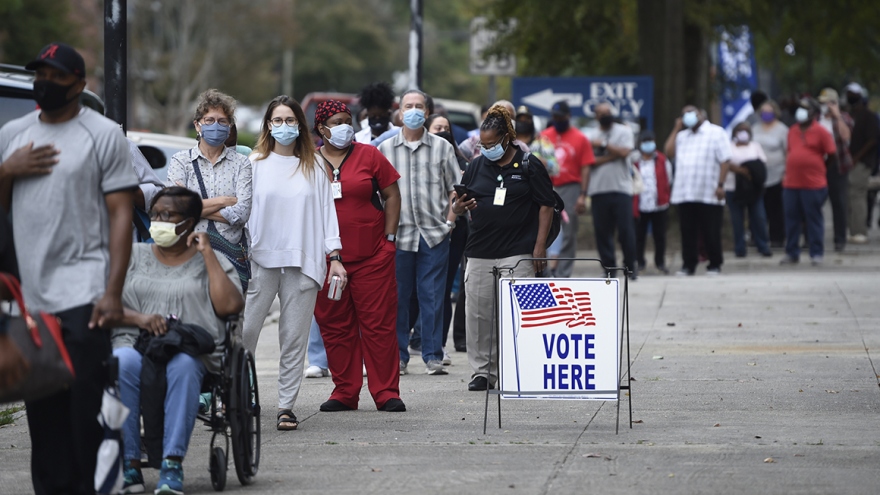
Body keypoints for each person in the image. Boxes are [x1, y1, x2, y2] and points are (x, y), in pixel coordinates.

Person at [0, 42, 137, 494]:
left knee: (85, 415)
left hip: (84, 290)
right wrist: (7, 172)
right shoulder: (13, 135)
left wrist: (112, 291)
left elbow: (120, 213)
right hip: (31, 296)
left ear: (79, 84)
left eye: (58, 77)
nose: (47, 84)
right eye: (42, 74)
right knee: (44, 420)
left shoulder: (102, 134)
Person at [112, 187, 244, 494]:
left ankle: (172, 464)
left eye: (167, 215)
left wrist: (208, 253)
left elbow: (229, 307)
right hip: (134, 341)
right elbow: (104, 304)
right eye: (155, 214)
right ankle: (130, 464)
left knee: (183, 366)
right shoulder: (132, 255)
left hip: (190, 348)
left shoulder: (212, 259)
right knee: (121, 362)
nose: (158, 221)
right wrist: (140, 319)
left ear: (189, 222)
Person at [241, 95, 345, 430]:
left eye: (290, 121)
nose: (283, 127)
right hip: (260, 260)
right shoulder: (254, 163)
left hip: (303, 263)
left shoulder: (314, 165)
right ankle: (242, 397)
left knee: (293, 339)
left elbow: (328, 215)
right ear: (268, 125)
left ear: (300, 125)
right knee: (245, 333)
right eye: (277, 121)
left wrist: (335, 257)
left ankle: (286, 406)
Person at [453, 104, 555, 391]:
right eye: (483, 145)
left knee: (519, 313)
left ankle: (518, 367)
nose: (486, 149)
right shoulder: (475, 166)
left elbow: (547, 205)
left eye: (492, 144)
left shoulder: (529, 164)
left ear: (508, 138)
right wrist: (459, 206)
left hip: (518, 249)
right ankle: (483, 372)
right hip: (480, 250)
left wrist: (539, 247)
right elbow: (459, 203)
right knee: (478, 315)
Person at [311, 100, 405, 412]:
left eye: (347, 120)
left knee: (378, 325)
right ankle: (345, 392)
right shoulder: (309, 162)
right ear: (322, 128)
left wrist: (389, 240)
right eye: (336, 121)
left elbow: (392, 194)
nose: (344, 127)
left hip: (373, 257)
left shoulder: (369, 155)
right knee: (336, 326)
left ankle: (386, 392)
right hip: (327, 261)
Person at [378, 89, 459, 376]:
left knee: (433, 297)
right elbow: (377, 194)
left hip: (434, 234)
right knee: (396, 298)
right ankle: (397, 357)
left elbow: (455, 189)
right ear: (399, 113)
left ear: (427, 112)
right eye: (408, 106)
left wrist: (449, 223)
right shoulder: (385, 149)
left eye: (419, 106)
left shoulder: (442, 147)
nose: (413, 111)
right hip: (398, 235)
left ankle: (433, 355)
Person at [166, 89, 253, 291]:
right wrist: (224, 201)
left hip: (230, 258)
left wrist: (191, 207)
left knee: (230, 318)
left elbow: (242, 214)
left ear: (230, 127)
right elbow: (174, 211)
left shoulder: (242, 164)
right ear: (197, 125)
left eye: (222, 121)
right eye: (209, 120)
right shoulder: (181, 161)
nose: (216, 126)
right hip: (189, 253)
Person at [664, 105, 732, 276]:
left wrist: (721, 184)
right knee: (688, 231)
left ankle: (714, 264)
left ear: (700, 114)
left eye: (691, 113)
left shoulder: (716, 133)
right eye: (684, 114)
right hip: (685, 191)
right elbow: (668, 152)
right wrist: (676, 128)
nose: (688, 116)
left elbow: (725, 160)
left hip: (708, 191)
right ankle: (689, 265)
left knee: (711, 230)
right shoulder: (681, 136)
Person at [541, 100, 595, 278]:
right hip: (547, 186)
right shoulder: (545, 136)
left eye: (560, 117)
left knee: (569, 230)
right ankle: (545, 270)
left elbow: (586, 167)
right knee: (544, 227)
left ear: (568, 116)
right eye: (554, 117)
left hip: (570, 187)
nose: (557, 120)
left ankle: (563, 273)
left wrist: (583, 194)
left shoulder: (580, 138)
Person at [780, 98, 837, 265]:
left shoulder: (821, 132)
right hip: (791, 183)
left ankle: (816, 253)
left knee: (813, 219)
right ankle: (792, 253)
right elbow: (790, 153)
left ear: (813, 113)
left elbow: (831, 154)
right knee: (791, 219)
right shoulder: (792, 131)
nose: (801, 112)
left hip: (813, 184)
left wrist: (819, 167)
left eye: (805, 109)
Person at [587, 103, 637, 277]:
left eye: (607, 112)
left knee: (625, 231)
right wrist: (613, 154)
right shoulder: (591, 135)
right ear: (596, 116)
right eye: (601, 113)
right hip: (598, 190)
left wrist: (604, 144)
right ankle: (609, 268)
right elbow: (590, 161)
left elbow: (625, 153)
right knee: (602, 232)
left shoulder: (624, 131)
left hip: (621, 189)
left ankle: (630, 267)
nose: (605, 115)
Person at [725, 122, 771, 258]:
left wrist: (747, 171)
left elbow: (761, 163)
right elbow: (725, 163)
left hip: (753, 189)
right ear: (734, 133)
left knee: (759, 217)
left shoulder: (755, 147)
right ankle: (739, 248)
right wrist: (741, 170)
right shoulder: (729, 147)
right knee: (737, 220)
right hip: (733, 188)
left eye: (745, 130)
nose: (743, 133)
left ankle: (763, 246)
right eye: (740, 130)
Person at [629, 130, 672, 273]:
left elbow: (668, 179)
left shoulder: (662, 159)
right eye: (645, 142)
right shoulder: (634, 160)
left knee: (660, 236)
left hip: (659, 204)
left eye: (650, 141)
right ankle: (640, 261)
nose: (648, 144)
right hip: (639, 204)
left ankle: (660, 262)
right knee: (639, 236)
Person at [817, 88, 854, 252]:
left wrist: (837, 115)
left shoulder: (844, 118)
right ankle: (813, 239)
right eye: (822, 103)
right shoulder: (815, 119)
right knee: (814, 202)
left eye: (828, 103)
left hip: (837, 166)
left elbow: (846, 136)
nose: (825, 106)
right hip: (818, 166)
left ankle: (840, 239)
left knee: (838, 202)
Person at [751, 100, 789, 248]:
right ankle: (758, 237)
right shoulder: (755, 129)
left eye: (769, 111)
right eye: (763, 111)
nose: (766, 114)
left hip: (777, 174)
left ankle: (777, 237)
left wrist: (786, 172)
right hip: (758, 176)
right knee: (758, 208)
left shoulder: (782, 130)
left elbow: (787, 151)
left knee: (776, 208)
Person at [845, 83, 879, 244]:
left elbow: (872, 140)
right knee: (851, 195)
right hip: (850, 162)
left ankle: (859, 231)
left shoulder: (868, 116)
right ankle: (853, 230)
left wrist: (857, 157)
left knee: (857, 195)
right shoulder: (850, 115)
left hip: (862, 162)